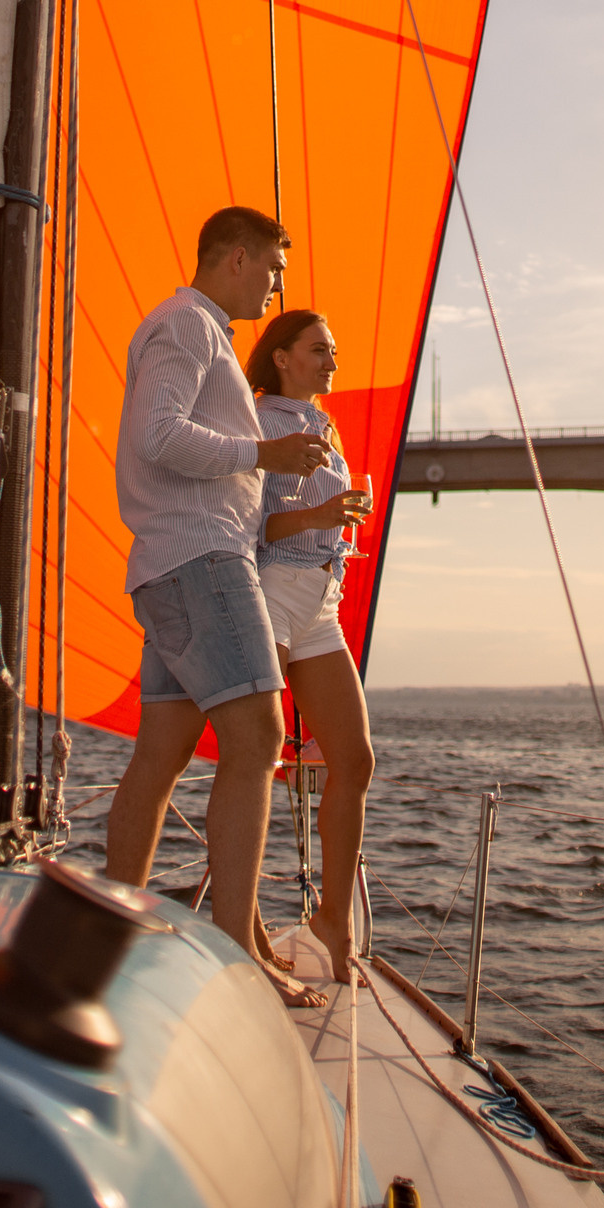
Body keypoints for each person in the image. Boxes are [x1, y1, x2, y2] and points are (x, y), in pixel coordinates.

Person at [101, 206, 331, 1007]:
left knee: (160, 755)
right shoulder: (190, 327)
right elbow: (160, 433)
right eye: (272, 269)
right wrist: (264, 452)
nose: (275, 286)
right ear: (236, 258)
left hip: (170, 565)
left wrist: (269, 464)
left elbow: (175, 440)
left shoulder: (199, 335)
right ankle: (238, 947)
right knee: (260, 733)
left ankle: (117, 922)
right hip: (200, 558)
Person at [247, 308, 375, 982]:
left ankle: (333, 919)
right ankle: (244, 924)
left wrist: (339, 522)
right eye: (319, 349)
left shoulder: (323, 423)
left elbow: (323, 517)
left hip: (321, 599)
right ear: (283, 357)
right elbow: (257, 524)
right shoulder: (260, 421)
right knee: (256, 757)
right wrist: (327, 514)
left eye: (334, 349)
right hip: (272, 589)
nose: (331, 360)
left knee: (353, 760)